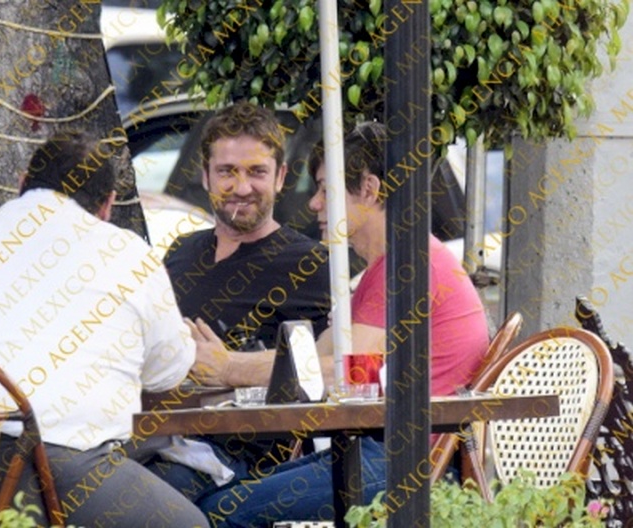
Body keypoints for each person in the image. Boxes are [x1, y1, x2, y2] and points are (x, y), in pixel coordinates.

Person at [0, 132, 209, 528]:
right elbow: (169, 372)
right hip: (44, 462)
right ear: (108, 204)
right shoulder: (126, 251)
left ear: (22, 182)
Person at [194, 121, 490, 527]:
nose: (314, 204)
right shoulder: (392, 266)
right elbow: (314, 359)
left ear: (368, 189)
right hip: (387, 451)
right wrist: (224, 362)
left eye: (326, 190)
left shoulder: (408, 266)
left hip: (408, 462)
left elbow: (337, 371)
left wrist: (228, 367)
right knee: (219, 500)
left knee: (217, 512)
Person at [148, 101, 332, 501]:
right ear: (206, 176)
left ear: (280, 177)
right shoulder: (181, 251)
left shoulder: (309, 264)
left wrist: (229, 366)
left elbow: (325, 369)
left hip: (235, 460)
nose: (242, 187)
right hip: (151, 437)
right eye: (227, 172)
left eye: (256, 172)